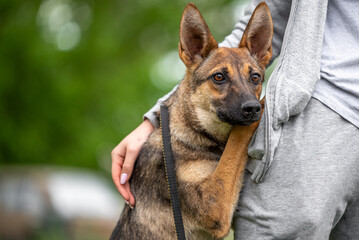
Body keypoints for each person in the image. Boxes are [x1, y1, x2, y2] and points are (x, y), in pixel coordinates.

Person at [111, 0, 359, 239]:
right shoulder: (174, 150)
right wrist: (154, 119)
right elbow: (216, 221)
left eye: (253, 79)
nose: (248, 99)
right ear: (190, 51)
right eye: (220, 79)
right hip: (328, 98)